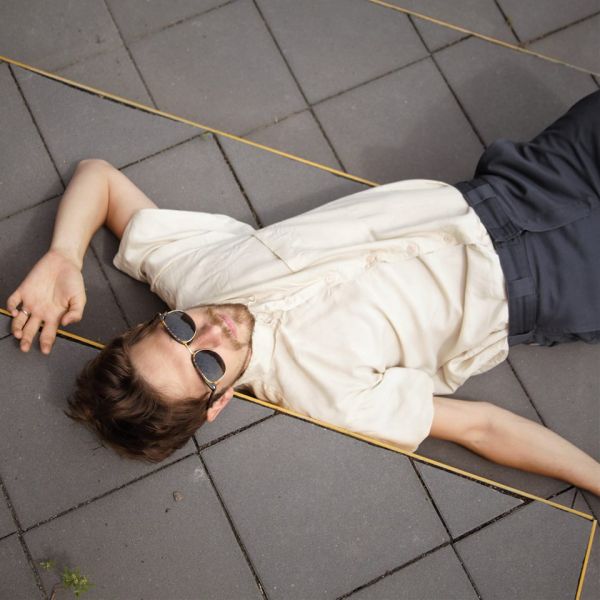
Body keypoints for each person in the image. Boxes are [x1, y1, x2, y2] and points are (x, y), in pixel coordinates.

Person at [7, 90, 600, 496]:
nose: (213, 331)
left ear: (152, 323)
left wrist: (64, 255)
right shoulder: (325, 399)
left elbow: (100, 177)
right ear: (218, 403)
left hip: (514, 186)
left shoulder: (191, 273)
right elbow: (482, 428)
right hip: (550, 282)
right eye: (206, 363)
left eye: (178, 329)